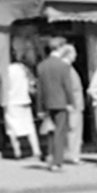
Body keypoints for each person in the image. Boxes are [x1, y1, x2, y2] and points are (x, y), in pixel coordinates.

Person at [35, 37, 73, 172]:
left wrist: (39, 107)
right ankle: (57, 161)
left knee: (50, 131)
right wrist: (70, 101)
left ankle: (50, 157)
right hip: (61, 102)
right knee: (59, 132)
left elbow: (39, 89)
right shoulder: (63, 65)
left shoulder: (42, 65)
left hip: (47, 103)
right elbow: (67, 86)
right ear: (60, 48)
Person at [3, 57, 40, 160]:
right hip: (24, 100)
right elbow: (32, 84)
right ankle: (36, 150)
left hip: (11, 101)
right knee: (29, 126)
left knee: (12, 128)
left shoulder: (6, 69)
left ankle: (17, 151)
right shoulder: (24, 69)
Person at [62, 45, 85, 165]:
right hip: (74, 104)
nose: (75, 55)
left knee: (71, 129)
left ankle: (71, 153)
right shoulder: (66, 69)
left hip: (75, 103)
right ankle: (73, 155)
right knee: (74, 130)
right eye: (73, 53)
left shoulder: (69, 68)